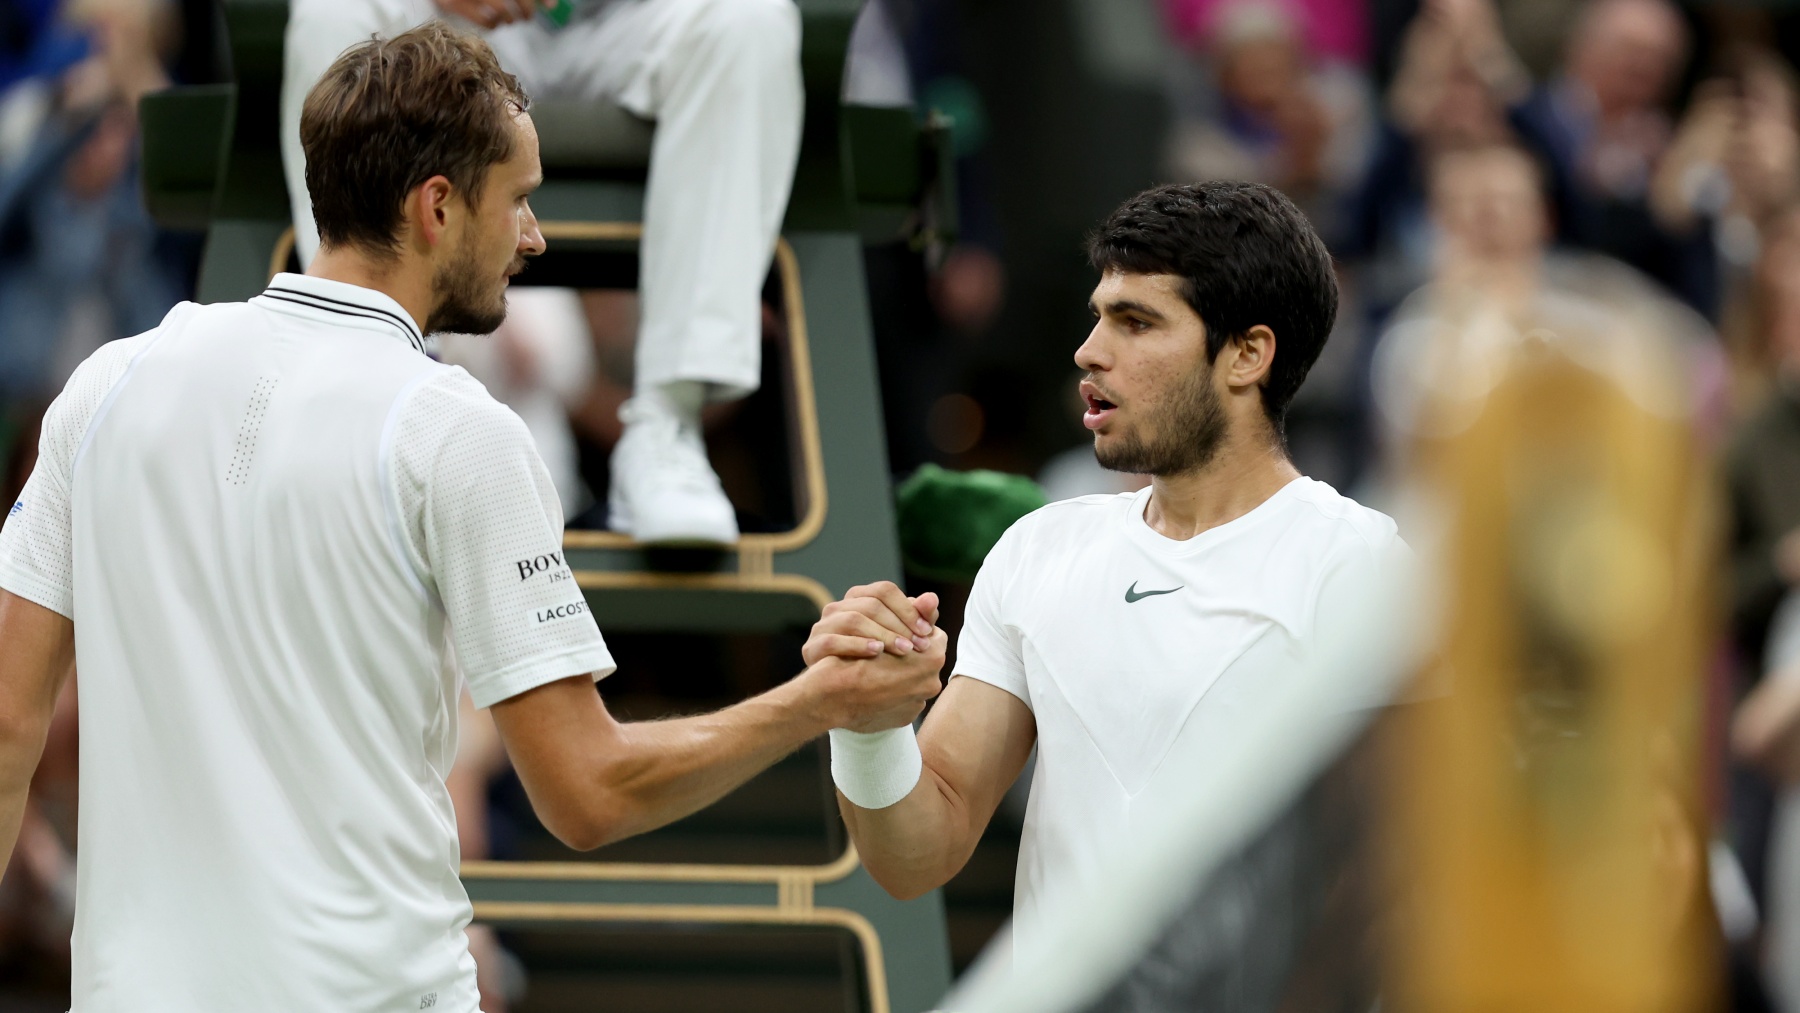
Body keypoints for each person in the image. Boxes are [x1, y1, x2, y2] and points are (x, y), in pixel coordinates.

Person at [0, 27, 944, 1011]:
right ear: (437, 207)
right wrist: (818, 700)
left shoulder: (105, 385)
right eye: (520, 198)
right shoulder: (456, 431)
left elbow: (6, 719)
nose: (536, 235)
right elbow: (590, 791)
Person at [809, 181, 1406, 957]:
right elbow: (917, 853)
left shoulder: (1359, 563)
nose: (1090, 350)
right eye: (1099, 315)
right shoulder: (1037, 547)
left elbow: (1394, 885)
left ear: (1248, 355)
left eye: (1136, 321)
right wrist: (871, 728)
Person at [282, 0, 803, 546]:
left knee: (751, 20)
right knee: (333, 12)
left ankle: (669, 422)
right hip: (450, 25)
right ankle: (370, 393)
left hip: (623, 24)